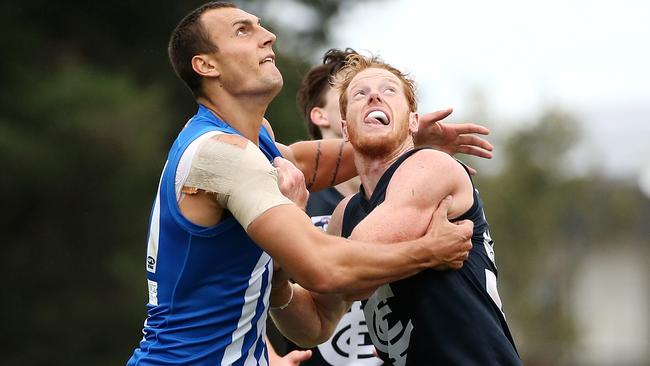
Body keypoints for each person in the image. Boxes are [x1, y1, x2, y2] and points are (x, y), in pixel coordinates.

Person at [126, 2, 489, 365]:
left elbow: (301, 162)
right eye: (243, 30)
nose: (269, 36)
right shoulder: (224, 155)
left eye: (260, 26)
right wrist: (428, 251)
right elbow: (324, 268)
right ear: (207, 65)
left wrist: (400, 137)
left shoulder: (251, 142)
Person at [269, 54, 521, 365]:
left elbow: (346, 271)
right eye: (360, 94)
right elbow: (315, 325)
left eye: (389, 90)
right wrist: (277, 284)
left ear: (414, 122)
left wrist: (287, 221)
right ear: (345, 129)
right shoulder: (346, 214)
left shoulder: (430, 166)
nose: (374, 95)